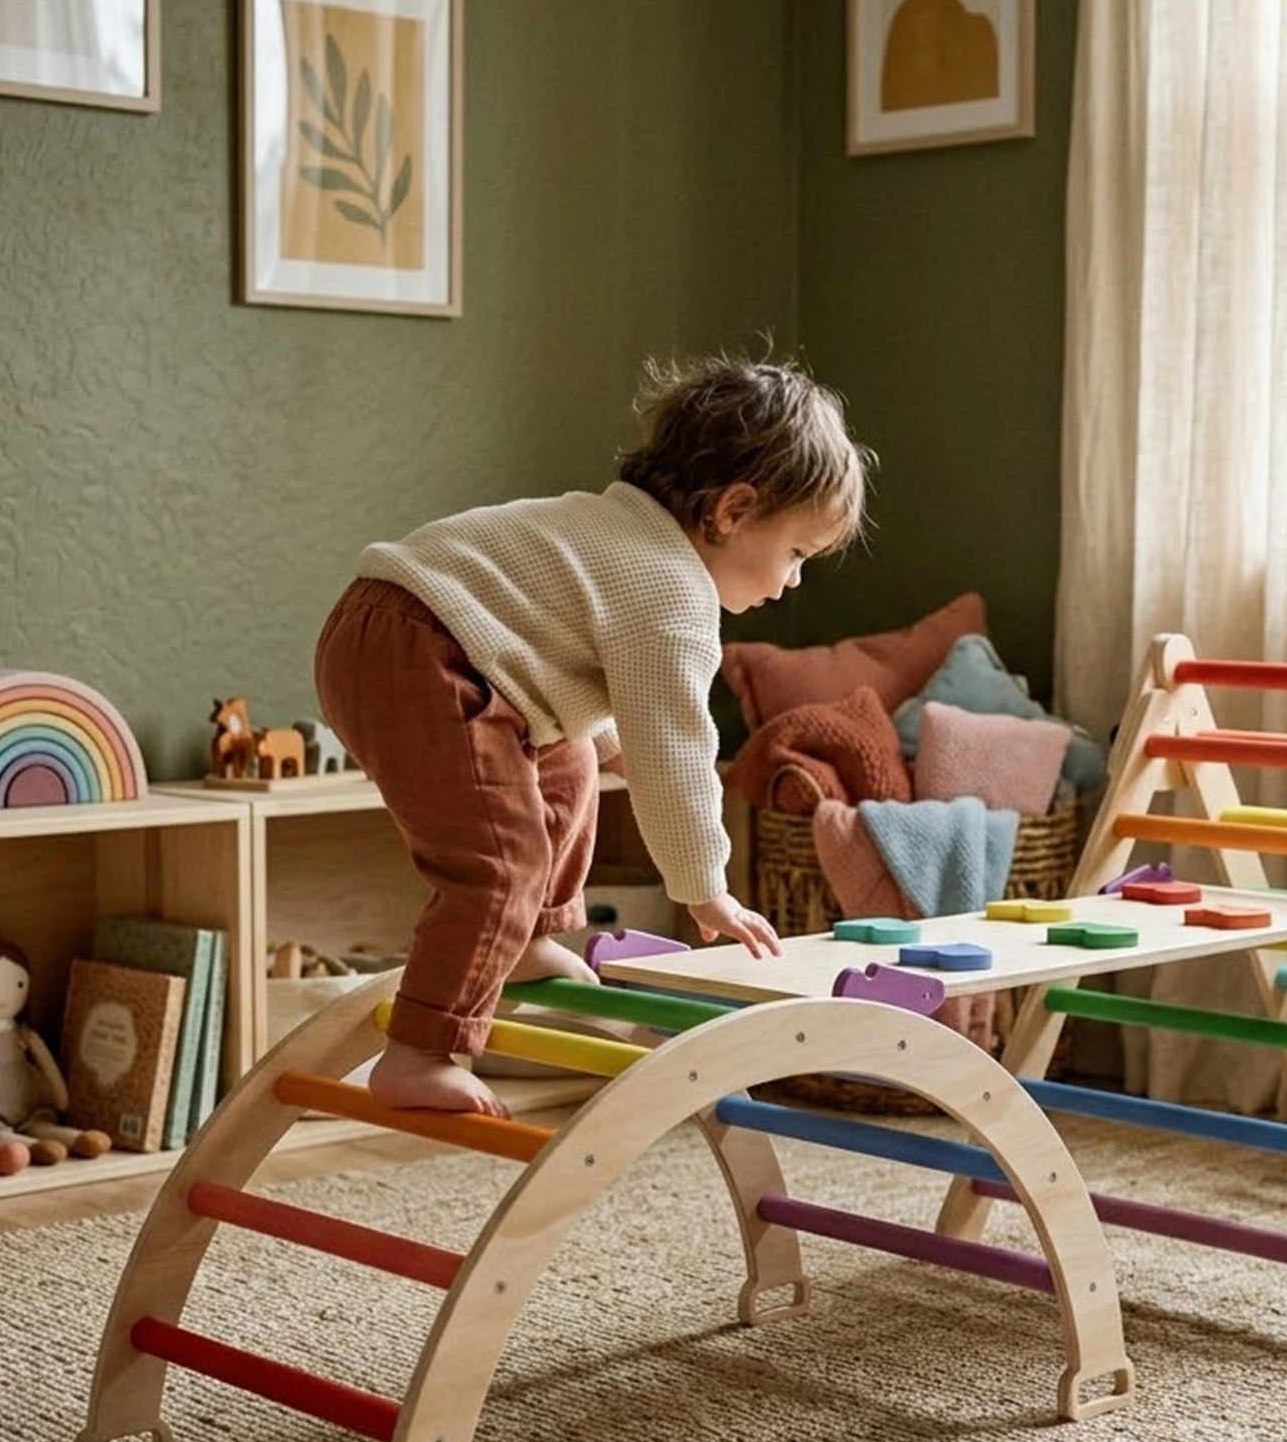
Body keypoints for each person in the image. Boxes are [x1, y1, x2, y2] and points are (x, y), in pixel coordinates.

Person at [315, 350, 874, 1116]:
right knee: (497, 862)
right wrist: (705, 889)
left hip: (398, 630)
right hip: (423, 651)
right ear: (734, 510)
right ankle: (421, 1051)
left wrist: (609, 743)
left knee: (569, 759)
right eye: (797, 554)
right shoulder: (674, 593)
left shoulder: (615, 531)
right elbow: (676, 756)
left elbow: (571, 654)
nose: (793, 581)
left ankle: (528, 937)